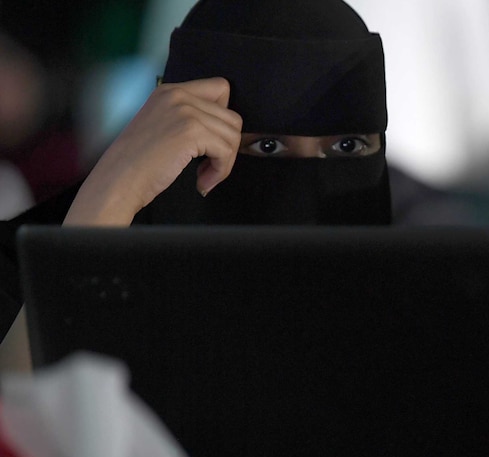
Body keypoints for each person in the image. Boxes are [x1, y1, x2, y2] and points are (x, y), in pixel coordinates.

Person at [0, 0, 395, 369]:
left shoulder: (417, 304)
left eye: (348, 145)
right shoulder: (15, 273)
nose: (307, 187)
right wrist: (116, 190)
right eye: (267, 145)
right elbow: (18, 425)